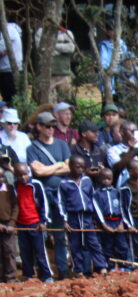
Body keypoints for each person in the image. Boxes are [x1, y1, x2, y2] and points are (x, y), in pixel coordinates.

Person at [27, 111, 72, 279]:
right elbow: (37, 171)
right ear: (39, 127)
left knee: (60, 234)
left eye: (53, 126)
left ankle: (63, 270)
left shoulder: (62, 145)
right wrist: (58, 165)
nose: (51, 129)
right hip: (42, 197)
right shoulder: (32, 148)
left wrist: (49, 169)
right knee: (42, 234)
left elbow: (69, 167)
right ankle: (43, 272)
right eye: (47, 126)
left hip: (60, 196)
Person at [57, 156, 107, 276]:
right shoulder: (64, 183)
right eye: (77, 166)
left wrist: (97, 217)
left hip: (87, 216)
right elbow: (60, 202)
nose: (80, 169)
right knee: (75, 244)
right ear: (70, 167)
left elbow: (92, 198)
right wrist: (64, 220)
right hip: (73, 216)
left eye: (82, 167)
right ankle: (78, 269)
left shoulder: (87, 180)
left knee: (93, 242)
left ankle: (101, 266)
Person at [13, 163, 53, 281]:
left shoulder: (36, 184)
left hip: (36, 223)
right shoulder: (15, 186)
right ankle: (28, 274)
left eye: (25, 174)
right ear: (15, 175)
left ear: (29, 173)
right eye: (19, 175)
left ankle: (46, 275)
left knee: (40, 251)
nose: (23, 177)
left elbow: (44, 204)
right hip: (22, 223)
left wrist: (43, 221)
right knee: (25, 251)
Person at [92, 167, 133, 270]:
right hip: (106, 222)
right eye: (104, 179)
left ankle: (123, 266)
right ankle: (110, 267)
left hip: (118, 221)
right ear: (99, 179)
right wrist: (104, 225)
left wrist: (122, 223)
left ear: (112, 179)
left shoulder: (117, 192)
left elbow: (122, 208)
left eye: (109, 179)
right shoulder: (97, 194)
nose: (106, 181)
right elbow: (97, 210)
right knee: (108, 246)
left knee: (122, 245)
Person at [34, 25, 75, 100]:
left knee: (66, 100)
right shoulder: (41, 32)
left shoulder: (66, 32)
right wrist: (62, 48)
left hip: (64, 73)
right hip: (47, 75)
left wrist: (51, 46)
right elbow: (41, 48)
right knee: (48, 101)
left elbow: (71, 48)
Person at [0, 156, 15, 282]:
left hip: (8, 224)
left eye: (2, 177)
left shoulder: (9, 189)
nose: (1, 179)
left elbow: (16, 206)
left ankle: (10, 278)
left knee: (9, 251)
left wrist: (11, 223)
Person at [0, 20, 22, 103]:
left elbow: (2, 49)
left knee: (11, 98)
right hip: (5, 71)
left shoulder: (9, 31)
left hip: (10, 70)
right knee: (6, 96)